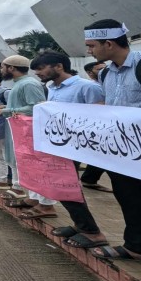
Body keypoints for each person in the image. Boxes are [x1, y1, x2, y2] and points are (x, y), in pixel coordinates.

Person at [83, 19, 141, 263]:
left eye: (91, 46)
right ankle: (139, 247)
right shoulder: (105, 74)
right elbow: (109, 105)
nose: (89, 51)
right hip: (122, 151)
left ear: (109, 44)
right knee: (130, 198)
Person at [30, 50, 108, 248]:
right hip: (58, 145)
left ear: (59, 66)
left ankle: (92, 232)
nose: (38, 73)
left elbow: (100, 116)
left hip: (77, 146)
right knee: (60, 186)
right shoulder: (51, 87)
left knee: (66, 186)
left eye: (41, 68)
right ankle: (81, 225)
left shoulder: (87, 87)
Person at [0, 55, 57, 219]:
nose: (1, 70)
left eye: (3, 66)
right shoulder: (19, 84)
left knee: (36, 167)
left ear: (11, 68)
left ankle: (47, 205)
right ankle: (34, 199)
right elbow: (22, 106)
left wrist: (4, 111)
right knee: (27, 166)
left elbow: (36, 107)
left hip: (30, 132)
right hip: (20, 131)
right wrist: (6, 107)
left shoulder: (28, 83)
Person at [75, 61, 110, 192]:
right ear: (90, 73)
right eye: (100, 69)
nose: (105, 71)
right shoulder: (92, 87)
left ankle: (89, 179)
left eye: (106, 68)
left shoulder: (109, 85)